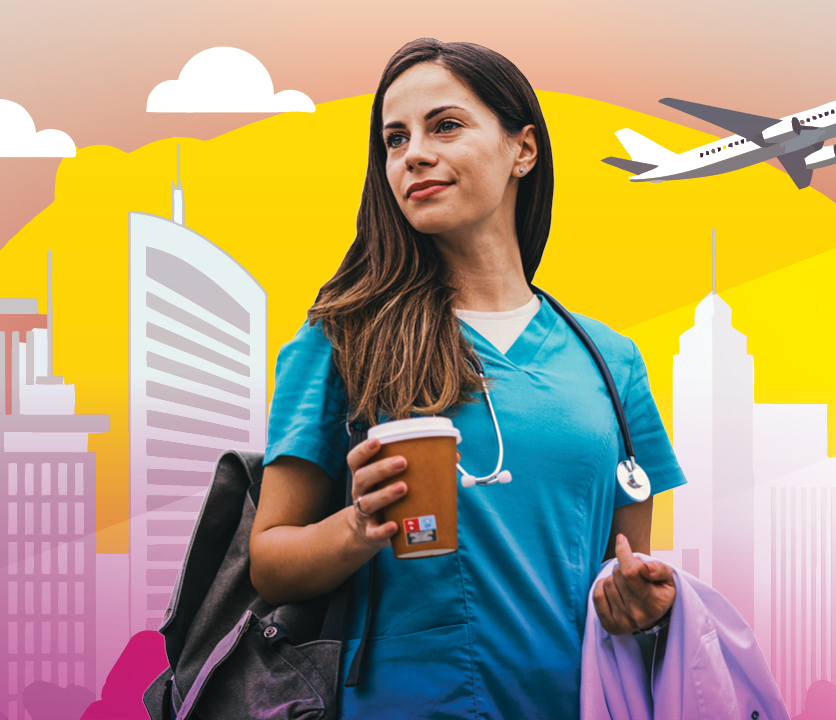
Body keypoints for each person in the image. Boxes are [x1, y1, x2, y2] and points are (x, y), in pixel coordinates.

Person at [249, 37, 687, 720]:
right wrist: (359, 525)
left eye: (445, 126)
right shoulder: (340, 339)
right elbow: (270, 562)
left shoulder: (611, 359)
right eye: (394, 140)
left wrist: (641, 604)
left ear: (524, 150)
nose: (413, 154)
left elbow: (625, 573)